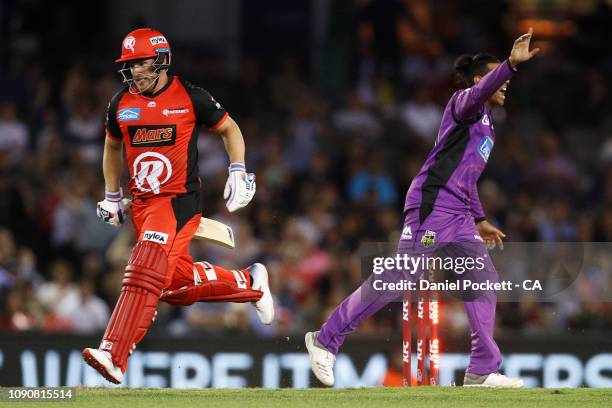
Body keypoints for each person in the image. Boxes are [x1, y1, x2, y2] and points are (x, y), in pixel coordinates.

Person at [305, 29, 540, 388]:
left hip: (460, 213)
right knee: (402, 275)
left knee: (483, 279)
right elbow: (478, 95)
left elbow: (467, 177)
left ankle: (482, 369)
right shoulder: (464, 103)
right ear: (482, 80)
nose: (507, 85)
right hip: (433, 205)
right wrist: (509, 64)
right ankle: (325, 340)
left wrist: (480, 218)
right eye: (499, 79)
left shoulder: (489, 126)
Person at [82, 28, 274, 384]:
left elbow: (229, 128)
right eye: (130, 64)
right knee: (171, 286)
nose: (135, 71)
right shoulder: (119, 104)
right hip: (142, 205)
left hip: (178, 202)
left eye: (141, 62)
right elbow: (111, 148)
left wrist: (238, 170)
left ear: (161, 60)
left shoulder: (191, 96)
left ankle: (114, 353)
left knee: (144, 266)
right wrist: (111, 195)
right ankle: (251, 282)